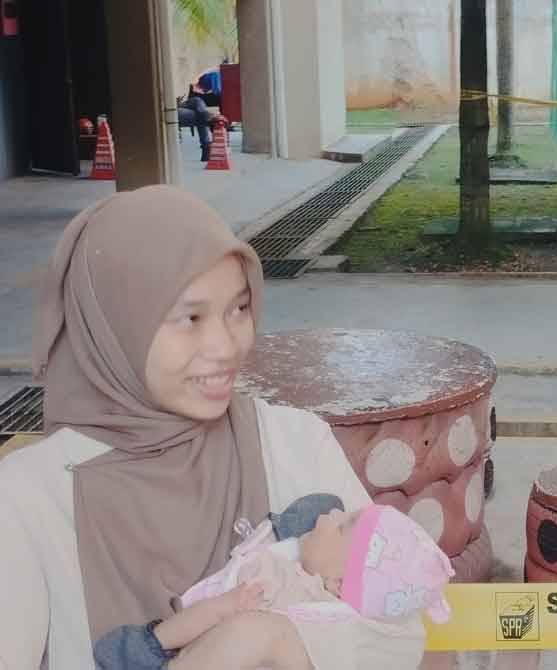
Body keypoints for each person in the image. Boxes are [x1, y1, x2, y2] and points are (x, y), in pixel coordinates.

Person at [0, 185, 426, 669]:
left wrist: (273, 640)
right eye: (190, 318)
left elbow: (397, 634)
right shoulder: (27, 503)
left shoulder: (291, 440)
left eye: (238, 309)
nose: (226, 346)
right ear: (114, 326)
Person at [94, 498, 454, 669]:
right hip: (198, 640)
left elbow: (241, 629)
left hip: (180, 655)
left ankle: (147, 649)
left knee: (224, 618)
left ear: (340, 584)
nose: (332, 516)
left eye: (343, 525)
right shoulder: (386, 624)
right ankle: (147, 645)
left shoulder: (315, 617)